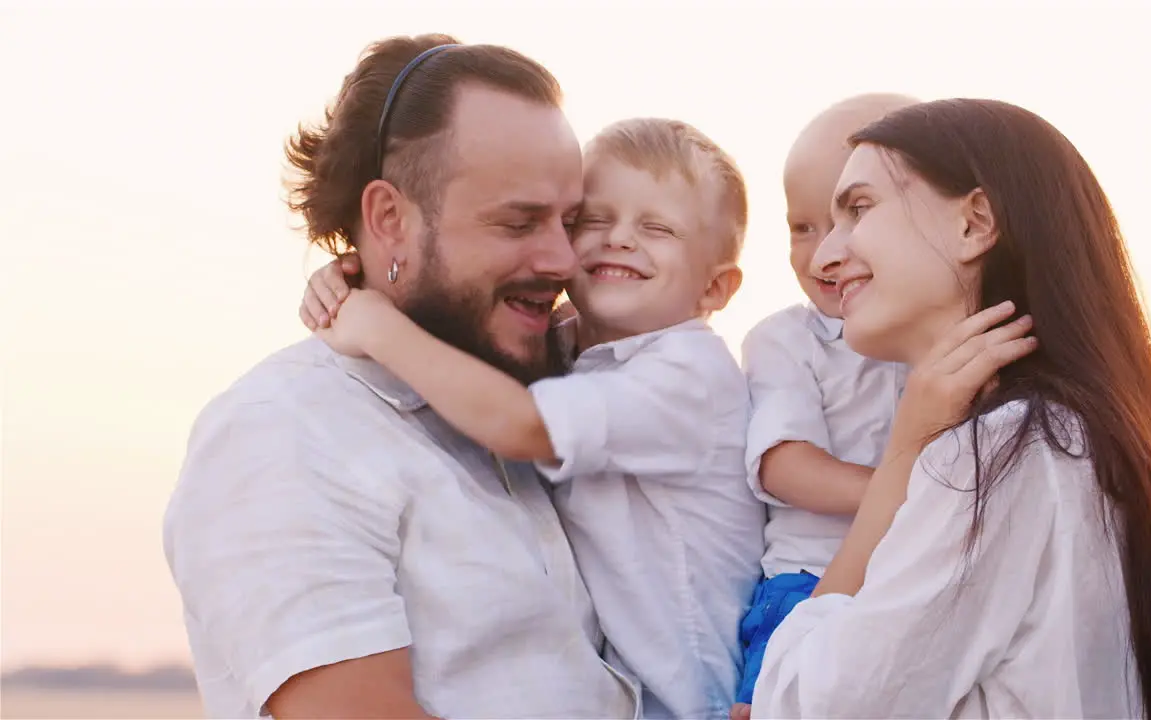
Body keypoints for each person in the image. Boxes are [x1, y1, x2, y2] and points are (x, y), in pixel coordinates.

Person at [163, 34, 639, 719]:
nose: (563, 259)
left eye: (570, 221)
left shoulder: (541, 403)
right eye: (519, 222)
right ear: (389, 218)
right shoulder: (283, 431)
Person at [751, 98, 1151, 719]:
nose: (825, 258)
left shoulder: (1000, 456)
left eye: (858, 208)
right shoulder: (1074, 437)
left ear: (975, 222)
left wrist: (905, 456)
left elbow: (810, 706)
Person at [302, 117, 766, 720]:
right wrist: (354, 275)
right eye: (592, 221)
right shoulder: (577, 347)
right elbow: (467, 328)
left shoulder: (688, 375)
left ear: (716, 289)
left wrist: (376, 326)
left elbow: (521, 425)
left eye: (657, 228)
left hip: (696, 699)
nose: (618, 239)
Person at [733, 93, 917, 717]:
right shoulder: (785, 339)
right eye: (800, 227)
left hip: (903, 578)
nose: (821, 253)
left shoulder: (919, 333)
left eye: (849, 218)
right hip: (809, 581)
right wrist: (912, 491)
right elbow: (784, 466)